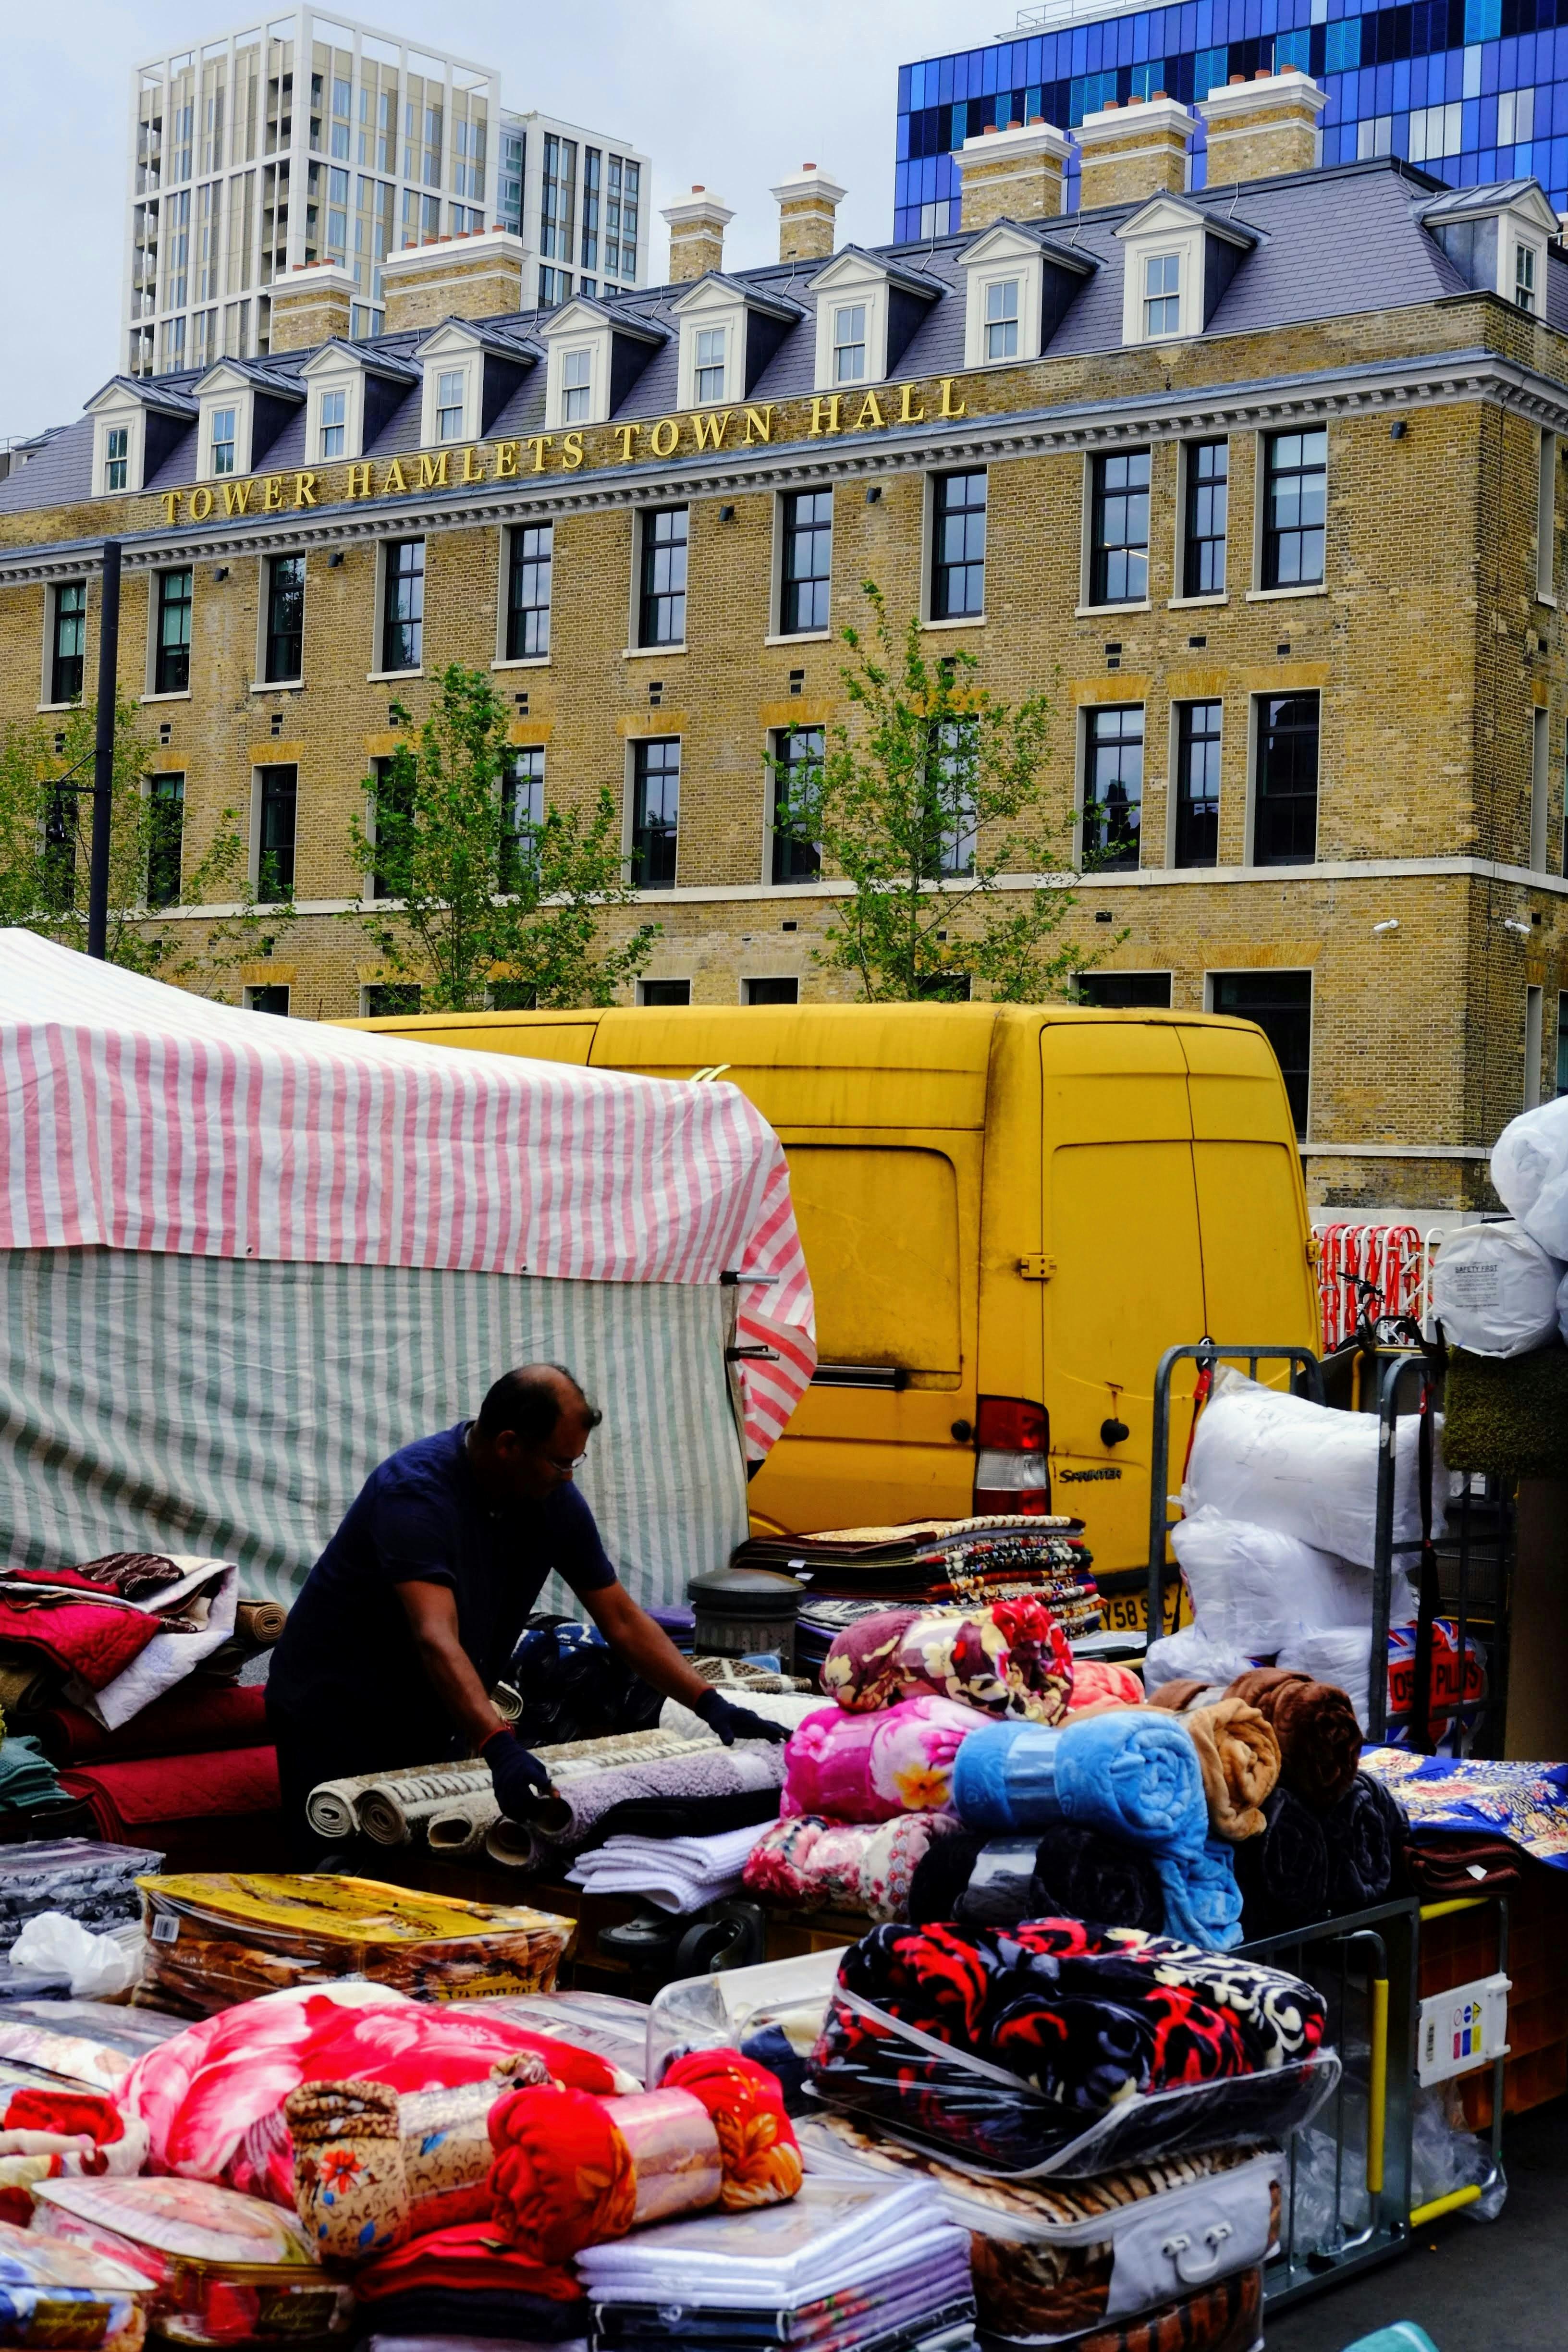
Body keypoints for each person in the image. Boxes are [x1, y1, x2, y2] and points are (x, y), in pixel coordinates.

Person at [266, 1362, 788, 1862]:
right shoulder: (416, 1493)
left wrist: (710, 1703)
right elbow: (436, 1637)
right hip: (333, 1708)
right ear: (508, 1445)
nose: (569, 1476)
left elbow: (621, 1619)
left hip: (427, 1708)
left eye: (576, 1462)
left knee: (413, 1878)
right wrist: (498, 1742)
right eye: (561, 1461)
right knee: (337, 1872)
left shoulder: (550, 1497)